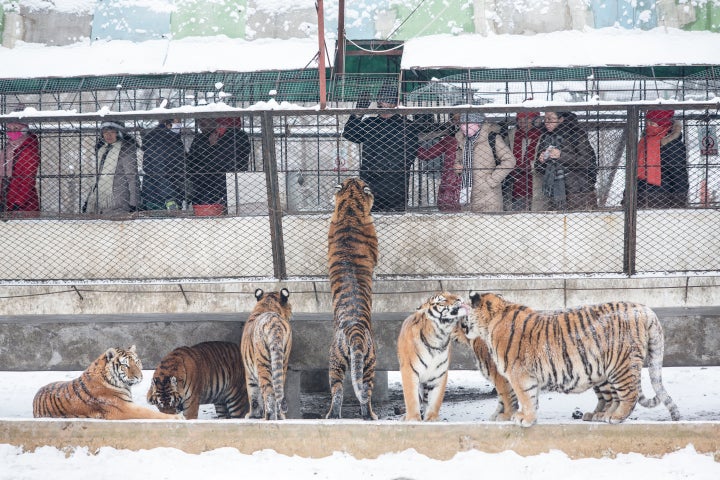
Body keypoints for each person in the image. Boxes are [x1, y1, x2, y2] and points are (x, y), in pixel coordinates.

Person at [342, 84, 421, 212]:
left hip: (396, 184)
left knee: (396, 223)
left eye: (386, 98)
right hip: (370, 181)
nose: (381, 102)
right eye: (380, 98)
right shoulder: (370, 123)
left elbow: (411, 153)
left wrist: (394, 166)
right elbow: (349, 134)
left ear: (395, 102)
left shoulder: (407, 126)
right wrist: (359, 112)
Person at [535, 111, 597, 211]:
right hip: (552, 192)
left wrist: (561, 155)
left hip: (578, 191)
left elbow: (587, 161)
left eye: (550, 119)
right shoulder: (545, 137)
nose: (546, 122)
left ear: (561, 119)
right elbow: (538, 169)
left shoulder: (576, 135)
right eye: (545, 119)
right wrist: (541, 161)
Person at [455, 112, 516, 212]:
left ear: (478, 123)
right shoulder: (462, 141)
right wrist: (457, 168)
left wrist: (491, 181)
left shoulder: (491, 138)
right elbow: (458, 161)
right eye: (462, 123)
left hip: (489, 196)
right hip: (467, 196)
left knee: (490, 226)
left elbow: (509, 160)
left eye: (468, 122)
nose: (464, 126)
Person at [187, 116, 251, 209]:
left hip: (226, 181)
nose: (200, 124)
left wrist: (213, 147)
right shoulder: (200, 138)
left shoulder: (236, 136)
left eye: (204, 120)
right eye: (199, 121)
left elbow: (228, 161)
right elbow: (192, 162)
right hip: (202, 181)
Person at [83, 121, 140, 215]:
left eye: (112, 132)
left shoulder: (126, 151)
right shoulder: (102, 150)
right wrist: (87, 201)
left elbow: (133, 178)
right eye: (105, 132)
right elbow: (97, 179)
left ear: (119, 133)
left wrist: (134, 205)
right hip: (100, 202)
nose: (108, 135)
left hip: (118, 202)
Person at [637, 109, 688, 209]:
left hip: (661, 199)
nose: (649, 125)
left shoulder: (673, 145)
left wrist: (678, 204)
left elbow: (679, 176)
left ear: (663, 124)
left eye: (652, 123)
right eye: (647, 122)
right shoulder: (643, 142)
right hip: (640, 198)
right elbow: (635, 175)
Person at [416, 113, 462, 212]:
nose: (457, 123)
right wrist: (412, 144)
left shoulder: (473, 140)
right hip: (451, 178)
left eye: (460, 119)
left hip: (462, 178)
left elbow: (426, 155)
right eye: (455, 120)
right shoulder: (450, 140)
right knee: (449, 207)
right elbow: (427, 154)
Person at [141, 118, 186, 211]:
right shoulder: (160, 140)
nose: (179, 125)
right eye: (176, 122)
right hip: (160, 195)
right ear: (167, 124)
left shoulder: (171, 137)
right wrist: (170, 197)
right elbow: (158, 170)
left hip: (167, 190)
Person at [0, 120, 40, 213]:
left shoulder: (28, 148)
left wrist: (18, 203)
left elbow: (28, 179)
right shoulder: (10, 146)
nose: (12, 131)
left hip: (21, 203)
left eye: (16, 128)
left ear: (24, 130)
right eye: (9, 129)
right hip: (7, 197)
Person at [506, 111, 543, 211]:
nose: (523, 124)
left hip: (536, 180)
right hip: (515, 182)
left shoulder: (543, 135)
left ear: (536, 121)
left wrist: (531, 165)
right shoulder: (512, 135)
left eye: (527, 120)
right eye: (520, 121)